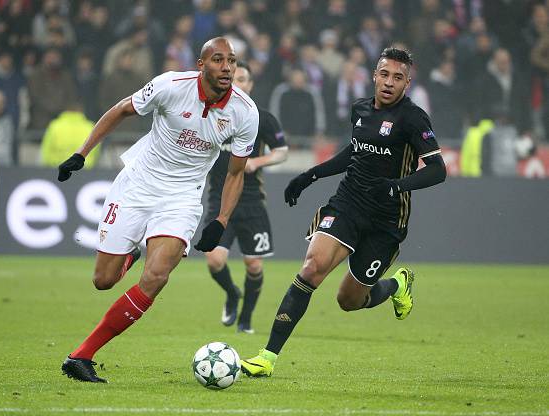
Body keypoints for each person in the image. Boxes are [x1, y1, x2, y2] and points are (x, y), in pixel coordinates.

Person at [57, 37, 259, 383]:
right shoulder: (170, 85)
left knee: (157, 277)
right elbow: (121, 110)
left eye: (232, 61)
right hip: (137, 184)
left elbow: (236, 172)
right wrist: (81, 153)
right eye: (218, 60)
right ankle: (134, 252)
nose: (227, 68)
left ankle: (82, 355)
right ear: (201, 65)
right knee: (103, 281)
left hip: (181, 197)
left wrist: (221, 220)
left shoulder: (245, 112)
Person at [241, 47, 446, 377]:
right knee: (311, 268)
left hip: (386, 220)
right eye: (384, 75)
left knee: (348, 300)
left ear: (407, 83)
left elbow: (438, 170)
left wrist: (397, 185)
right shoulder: (360, 110)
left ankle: (396, 286)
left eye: (398, 78)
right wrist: (311, 175)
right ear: (374, 76)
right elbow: (354, 151)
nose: (389, 82)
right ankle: (267, 357)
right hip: (348, 203)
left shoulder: (413, 118)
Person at [204, 61, 288, 334]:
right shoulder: (211, 113)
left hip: (251, 200)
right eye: (234, 79)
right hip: (219, 199)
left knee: (253, 265)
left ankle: (246, 320)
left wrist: (257, 162)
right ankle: (232, 294)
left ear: (250, 85)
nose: (238, 83)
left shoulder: (262, 118)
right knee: (214, 260)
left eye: (243, 79)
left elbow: (282, 151)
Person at [40, 101, 99, 169]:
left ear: (65, 111)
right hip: (83, 169)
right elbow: (95, 152)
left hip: (58, 169)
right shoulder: (90, 127)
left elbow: (46, 151)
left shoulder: (55, 126)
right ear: (81, 111)